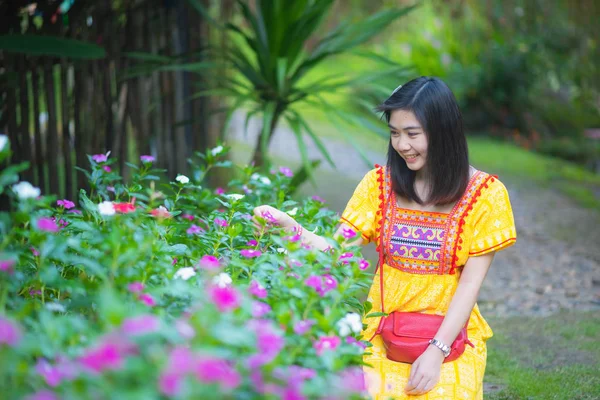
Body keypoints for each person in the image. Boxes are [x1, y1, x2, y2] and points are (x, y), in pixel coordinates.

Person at [253, 76, 517, 399]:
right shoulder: (378, 186)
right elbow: (336, 251)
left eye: (412, 134)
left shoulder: (486, 195)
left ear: (443, 131)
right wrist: (290, 228)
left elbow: (470, 285)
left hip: (450, 338)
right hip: (383, 334)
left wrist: (436, 351)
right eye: (394, 133)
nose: (402, 145)